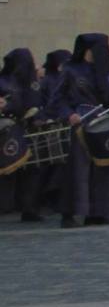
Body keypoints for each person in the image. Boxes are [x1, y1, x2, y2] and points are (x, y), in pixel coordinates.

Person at [50, 33, 109, 228]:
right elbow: (57, 98)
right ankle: (72, 212)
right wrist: (68, 114)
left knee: (104, 167)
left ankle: (99, 210)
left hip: (104, 122)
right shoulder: (71, 70)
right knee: (78, 170)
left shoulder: (104, 73)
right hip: (81, 122)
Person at [0, 48, 46, 221]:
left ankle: (29, 208)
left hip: (27, 130)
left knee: (32, 171)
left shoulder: (29, 82)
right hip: (11, 130)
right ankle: (21, 207)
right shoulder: (8, 81)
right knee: (11, 169)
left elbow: (38, 103)